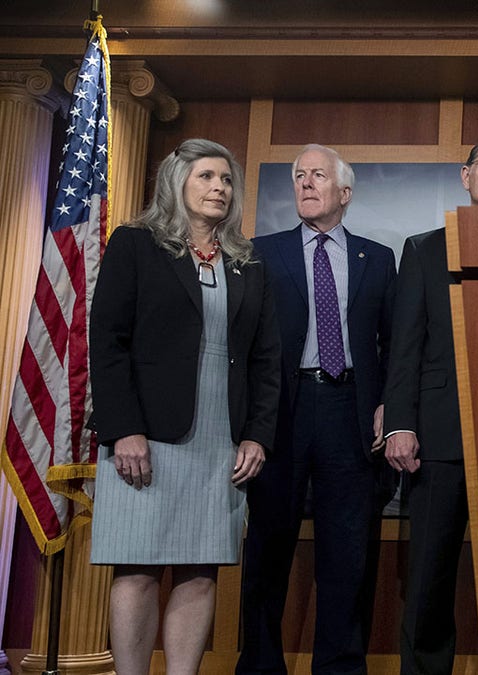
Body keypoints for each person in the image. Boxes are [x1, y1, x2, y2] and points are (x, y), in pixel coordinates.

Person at [89, 138, 280, 675]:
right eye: (206, 177)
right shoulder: (135, 244)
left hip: (221, 440)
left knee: (201, 571)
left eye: (226, 180)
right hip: (144, 436)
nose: (219, 188)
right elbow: (107, 342)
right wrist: (123, 429)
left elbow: (267, 359)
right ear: (177, 181)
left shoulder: (248, 263)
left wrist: (257, 435)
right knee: (138, 570)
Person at [237, 144, 396, 675]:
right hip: (280, 410)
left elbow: (393, 344)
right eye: (299, 176)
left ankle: (340, 666)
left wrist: (386, 408)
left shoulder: (376, 258)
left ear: (344, 193)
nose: (306, 184)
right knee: (268, 546)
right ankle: (259, 665)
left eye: (318, 176)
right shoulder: (260, 251)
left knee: (346, 553)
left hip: (349, 411)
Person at [383, 136, 478, 675]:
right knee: (429, 577)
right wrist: (400, 422)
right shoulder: (424, 249)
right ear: (466, 177)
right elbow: (405, 348)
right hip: (440, 439)